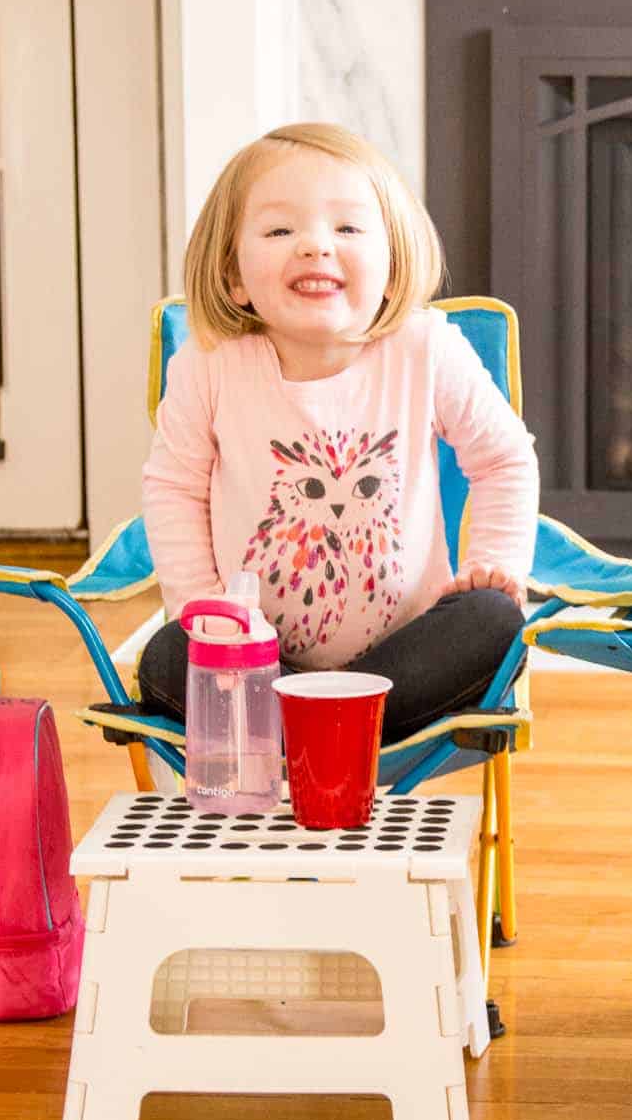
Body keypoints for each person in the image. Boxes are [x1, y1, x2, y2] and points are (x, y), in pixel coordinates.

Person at [138, 122, 537, 740]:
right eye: (279, 230)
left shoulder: (424, 348)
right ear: (234, 276)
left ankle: (312, 734)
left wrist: (494, 564)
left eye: (347, 228)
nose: (315, 246)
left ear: (392, 259)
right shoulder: (208, 361)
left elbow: (505, 460)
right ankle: (325, 733)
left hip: (406, 662)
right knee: (166, 658)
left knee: (494, 621)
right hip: (255, 662)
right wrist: (200, 606)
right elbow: (173, 487)